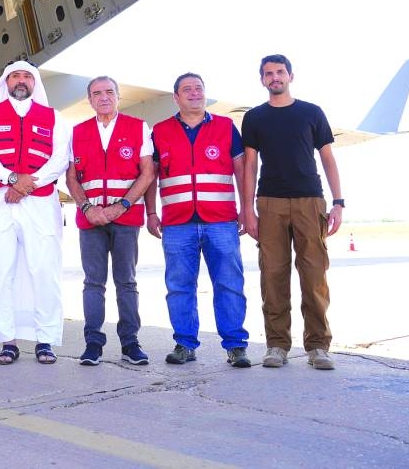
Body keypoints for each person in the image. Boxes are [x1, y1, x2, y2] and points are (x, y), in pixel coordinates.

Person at [242, 54, 343, 370]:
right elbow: (249, 166)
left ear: (290, 76)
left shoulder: (311, 113)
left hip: (309, 201)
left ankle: (317, 347)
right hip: (269, 202)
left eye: (280, 72)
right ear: (262, 80)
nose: (275, 77)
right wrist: (247, 209)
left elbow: (327, 158)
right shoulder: (255, 117)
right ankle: (276, 345)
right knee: (273, 275)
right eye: (268, 73)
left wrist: (338, 202)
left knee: (314, 275)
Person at [143, 73, 251, 368]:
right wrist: (151, 212)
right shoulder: (160, 131)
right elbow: (151, 175)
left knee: (229, 283)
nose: (194, 93)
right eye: (186, 90)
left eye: (198, 89)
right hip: (177, 223)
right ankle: (184, 344)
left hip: (221, 221)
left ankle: (236, 345)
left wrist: (247, 208)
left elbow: (242, 171)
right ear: (175, 97)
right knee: (179, 286)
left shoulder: (227, 127)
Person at [0, 61, 71, 365]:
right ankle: (7, 342)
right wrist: (12, 179)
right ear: (6, 80)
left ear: (35, 82)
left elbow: (59, 159)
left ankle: (46, 341)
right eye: (15, 75)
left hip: (40, 203)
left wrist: (25, 185)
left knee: (44, 270)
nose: (21, 80)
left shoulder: (54, 117)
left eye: (27, 75)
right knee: (0, 271)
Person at [66, 76, 155, 367]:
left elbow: (147, 172)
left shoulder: (137, 127)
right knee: (93, 282)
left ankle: (131, 343)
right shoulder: (77, 132)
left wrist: (123, 205)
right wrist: (88, 207)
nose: (103, 97)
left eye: (108, 92)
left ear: (118, 96)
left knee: (126, 282)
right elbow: (71, 177)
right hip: (90, 220)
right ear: (89, 100)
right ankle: (93, 343)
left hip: (125, 218)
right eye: (96, 93)